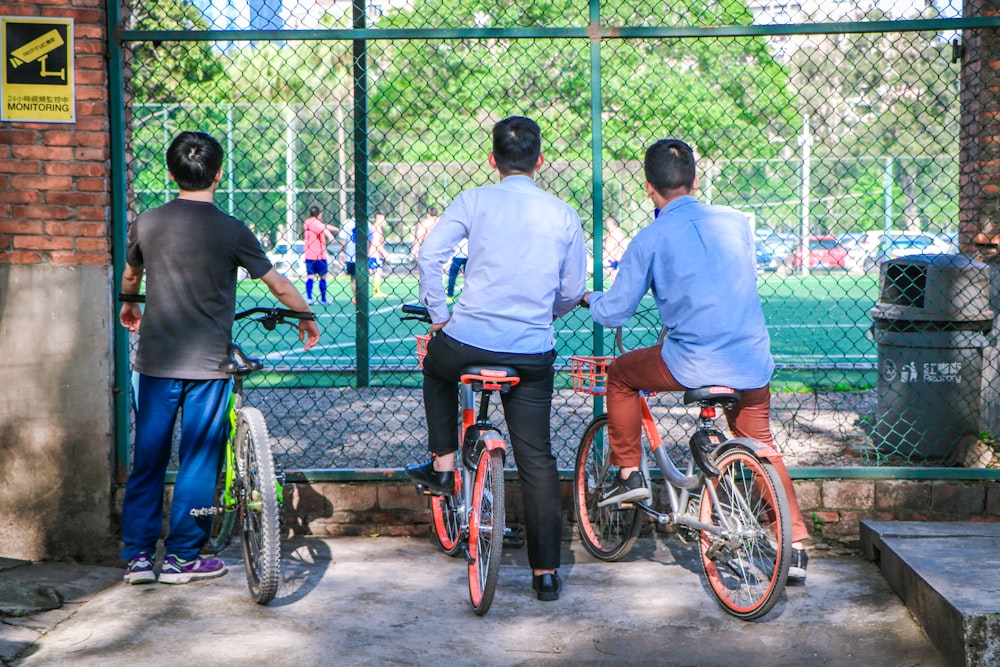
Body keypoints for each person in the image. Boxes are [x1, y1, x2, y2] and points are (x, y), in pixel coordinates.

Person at [579, 138, 810, 583]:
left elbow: (614, 312)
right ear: (695, 180)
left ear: (649, 189)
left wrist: (588, 297)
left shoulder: (650, 237)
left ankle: (629, 472)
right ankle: (795, 545)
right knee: (760, 443)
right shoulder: (737, 222)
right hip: (750, 359)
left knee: (622, 375)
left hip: (693, 361)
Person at [118, 131, 321, 586]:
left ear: (172, 174)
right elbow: (278, 284)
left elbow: (132, 272)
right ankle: (182, 558)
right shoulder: (231, 229)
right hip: (208, 364)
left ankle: (137, 558)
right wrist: (304, 316)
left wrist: (128, 302)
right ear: (219, 173)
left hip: (154, 363)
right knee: (198, 458)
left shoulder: (147, 222)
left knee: (148, 458)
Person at [405, 116, 587, 601]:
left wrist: (439, 314)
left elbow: (429, 256)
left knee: (436, 369)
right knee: (538, 459)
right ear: (540, 161)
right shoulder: (563, 213)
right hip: (530, 351)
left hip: (466, 340)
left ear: (492, 160)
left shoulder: (474, 199)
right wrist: (543, 314)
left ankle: (444, 464)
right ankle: (545, 573)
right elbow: (571, 291)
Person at [302, 204, 339, 305]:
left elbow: (324, 226)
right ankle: (323, 299)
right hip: (319, 254)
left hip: (308, 254)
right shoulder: (316, 223)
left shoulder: (307, 222)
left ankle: (309, 298)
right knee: (323, 276)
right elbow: (324, 229)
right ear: (319, 214)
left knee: (310, 276)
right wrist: (331, 237)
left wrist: (337, 229)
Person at [370, 213, 387, 297]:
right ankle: (376, 291)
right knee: (378, 271)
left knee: (377, 271)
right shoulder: (376, 229)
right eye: (383, 219)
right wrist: (384, 253)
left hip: (376, 254)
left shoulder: (378, 229)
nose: (384, 221)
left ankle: (377, 290)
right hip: (374, 254)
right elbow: (375, 242)